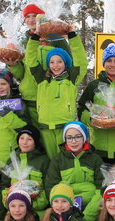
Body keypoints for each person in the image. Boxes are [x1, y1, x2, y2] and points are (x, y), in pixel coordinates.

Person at [27, 28, 87, 158]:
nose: (56, 65)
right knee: (51, 161)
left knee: (66, 160)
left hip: (64, 128)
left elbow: (81, 61)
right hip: (45, 128)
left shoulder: (71, 78)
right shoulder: (42, 79)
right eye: (52, 62)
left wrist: (72, 37)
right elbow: (30, 60)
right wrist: (34, 38)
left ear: (65, 63)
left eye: (59, 61)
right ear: (48, 64)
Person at [44, 121, 104, 221]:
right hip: (64, 210)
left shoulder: (95, 159)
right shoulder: (58, 160)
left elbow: (102, 187)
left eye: (78, 137)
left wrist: (88, 215)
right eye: (69, 137)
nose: (74, 141)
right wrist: (64, 210)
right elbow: (51, 188)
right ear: (65, 139)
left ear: (84, 138)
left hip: (92, 209)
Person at [0, 125, 50, 216]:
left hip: (37, 210)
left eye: (29, 139)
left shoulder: (43, 161)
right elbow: (4, 186)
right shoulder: (12, 160)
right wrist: (10, 203)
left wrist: (32, 205)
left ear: (35, 142)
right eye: (22, 138)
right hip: (14, 211)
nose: (24, 142)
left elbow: (48, 187)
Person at [0, 69, 28, 177]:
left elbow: (25, 128)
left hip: (11, 160)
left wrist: (8, 116)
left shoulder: (17, 103)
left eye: (3, 84)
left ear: (10, 85)